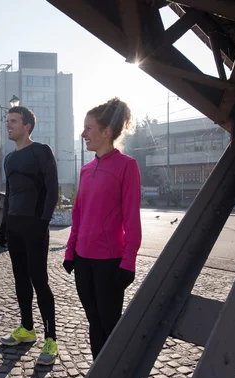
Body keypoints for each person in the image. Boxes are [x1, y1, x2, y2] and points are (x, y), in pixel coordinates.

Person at [63, 97, 142, 359]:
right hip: (83, 261)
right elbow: (78, 214)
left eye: (88, 128)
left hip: (110, 262)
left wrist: (128, 262)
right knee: (94, 324)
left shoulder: (127, 166)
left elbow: (131, 219)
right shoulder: (86, 169)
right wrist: (70, 252)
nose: (83, 133)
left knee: (110, 326)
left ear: (106, 132)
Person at [0, 106, 59, 365]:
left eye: (13, 121)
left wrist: (42, 222)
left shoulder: (41, 151)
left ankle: (51, 339)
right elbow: (9, 196)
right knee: (20, 280)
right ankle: (27, 328)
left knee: (39, 281)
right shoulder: (9, 159)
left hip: (34, 226)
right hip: (14, 226)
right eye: (7, 121)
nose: (8, 125)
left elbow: (52, 189)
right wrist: (3, 227)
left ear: (27, 126)